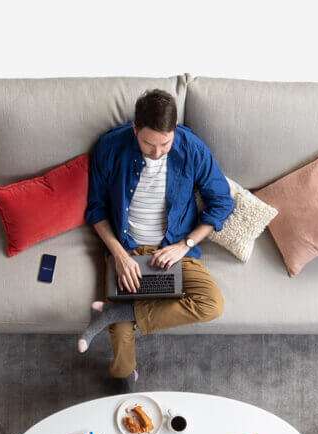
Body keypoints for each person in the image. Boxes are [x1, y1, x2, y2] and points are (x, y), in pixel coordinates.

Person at [80, 88, 234, 387]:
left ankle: (120, 311)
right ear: (135, 129)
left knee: (212, 303)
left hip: (174, 248)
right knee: (121, 333)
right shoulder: (110, 147)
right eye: (148, 144)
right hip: (127, 248)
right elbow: (96, 210)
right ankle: (123, 378)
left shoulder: (192, 149)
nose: (157, 152)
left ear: (174, 132)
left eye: (165, 143)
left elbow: (222, 202)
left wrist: (184, 245)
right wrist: (120, 255)